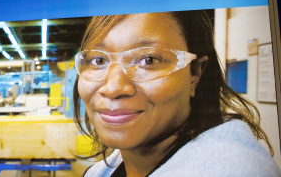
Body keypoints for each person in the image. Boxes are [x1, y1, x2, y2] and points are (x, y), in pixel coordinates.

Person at [73, 11, 281, 177]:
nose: (113, 87)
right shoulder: (112, 167)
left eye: (149, 60)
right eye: (98, 61)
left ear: (196, 73)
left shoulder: (230, 169)